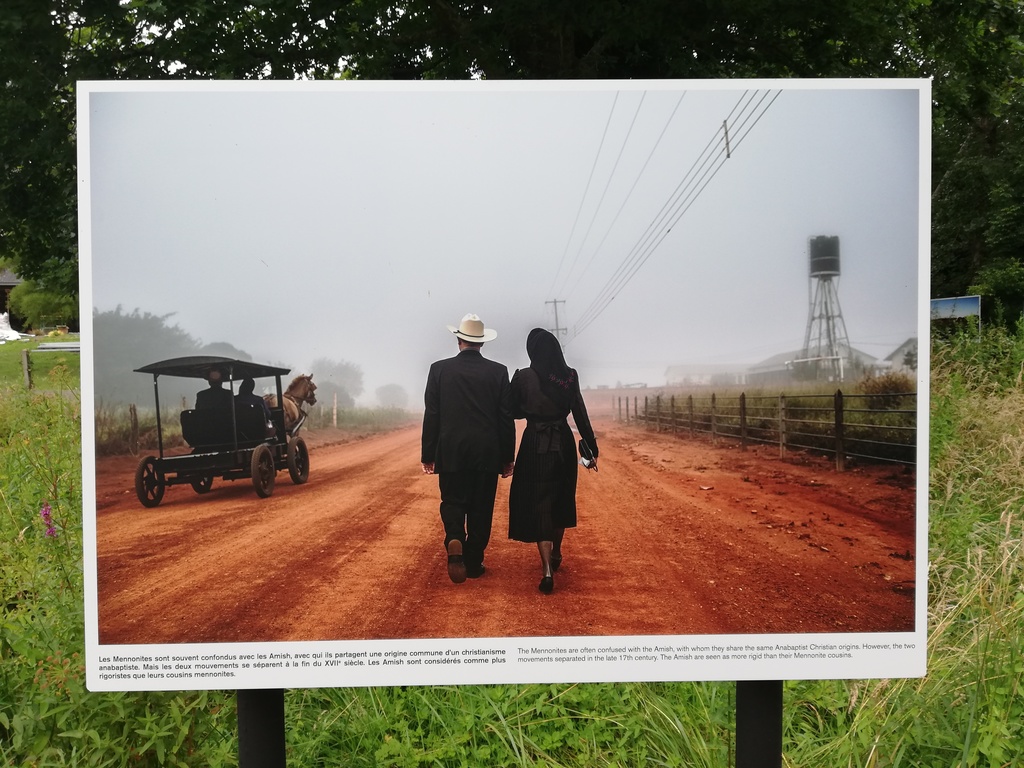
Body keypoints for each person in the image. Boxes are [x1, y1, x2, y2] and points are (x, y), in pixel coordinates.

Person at [422, 313, 515, 583]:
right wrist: (507, 458)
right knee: (481, 507)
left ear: (459, 340)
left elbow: (433, 414)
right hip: (487, 452)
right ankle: (474, 562)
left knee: (452, 501)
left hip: (450, 450)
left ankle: (454, 537)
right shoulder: (498, 371)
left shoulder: (438, 369)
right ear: (482, 343)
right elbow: (505, 418)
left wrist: (429, 455)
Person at [508, 328, 598, 594]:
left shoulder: (523, 377)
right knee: (560, 498)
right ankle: (557, 552)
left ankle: (547, 567)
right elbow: (580, 412)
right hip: (563, 444)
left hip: (535, 442)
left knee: (540, 501)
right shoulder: (570, 376)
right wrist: (590, 448)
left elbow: (512, 412)